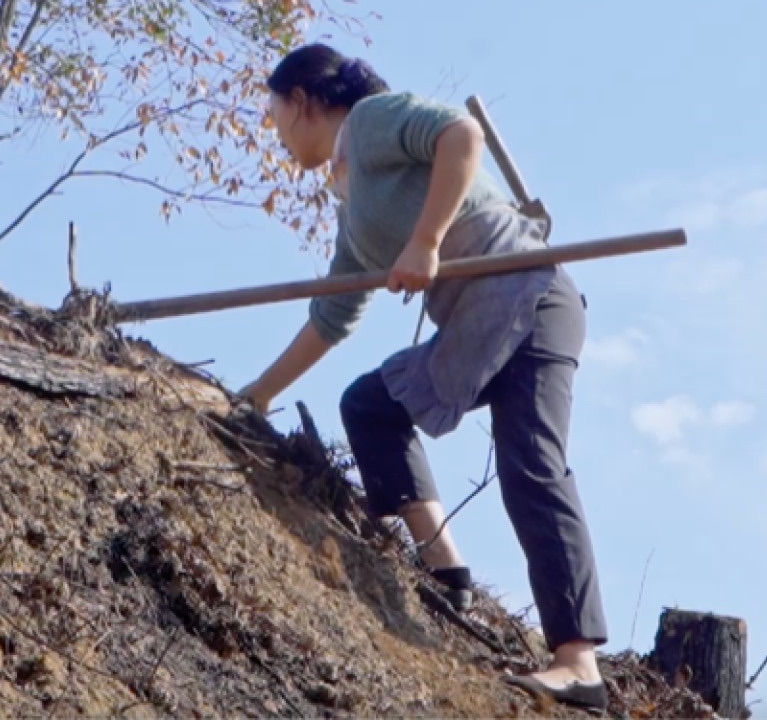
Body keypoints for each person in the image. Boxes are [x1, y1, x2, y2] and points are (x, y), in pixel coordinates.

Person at [236, 42, 610, 711]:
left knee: (530, 464)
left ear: (303, 102)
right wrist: (256, 397)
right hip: (472, 330)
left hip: (527, 297)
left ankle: (578, 661)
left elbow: (461, 136)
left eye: (274, 112)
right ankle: (445, 565)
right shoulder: (354, 201)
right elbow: (333, 314)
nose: (274, 129)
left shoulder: (374, 120)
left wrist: (428, 240)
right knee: (371, 406)